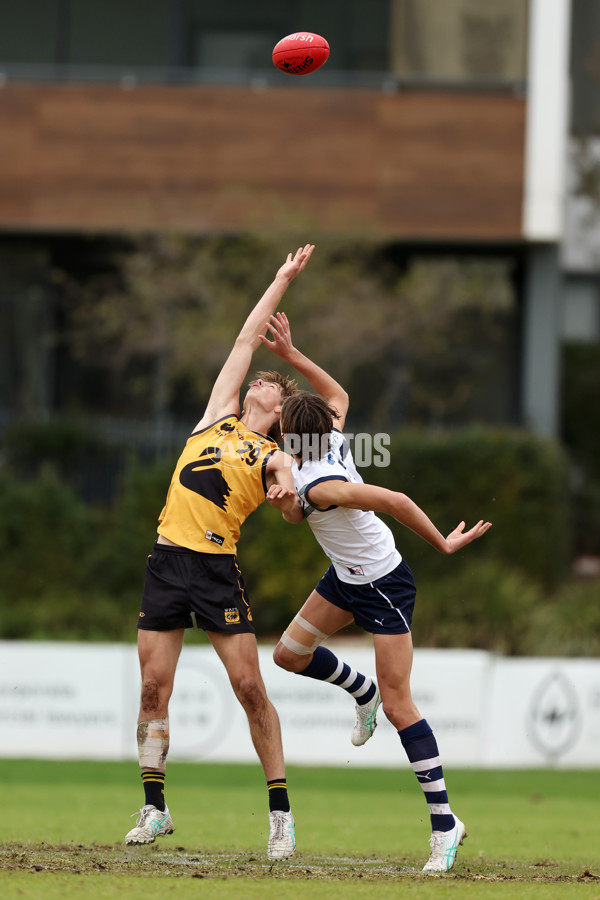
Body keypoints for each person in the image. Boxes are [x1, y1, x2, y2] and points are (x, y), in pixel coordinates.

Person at [260, 310, 492, 874]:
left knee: (400, 705)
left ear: (295, 433)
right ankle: (357, 690)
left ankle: (445, 826)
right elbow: (335, 391)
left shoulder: (323, 484)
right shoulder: (328, 433)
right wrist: (292, 356)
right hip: (345, 576)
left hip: (383, 584)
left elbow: (395, 501)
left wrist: (442, 544)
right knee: (289, 655)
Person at [124, 245, 315, 860]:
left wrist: (288, 490)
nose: (257, 377)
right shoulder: (214, 420)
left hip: (214, 571)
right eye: (256, 377)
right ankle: (154, 808)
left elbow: (289, 491)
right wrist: (281, 279)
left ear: (278, 410)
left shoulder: (270, 454)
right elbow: (245, 338)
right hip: (166, 561)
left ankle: (280, 816)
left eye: (268, 382)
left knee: (250, 689)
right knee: (153, 689)